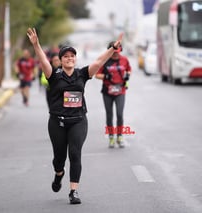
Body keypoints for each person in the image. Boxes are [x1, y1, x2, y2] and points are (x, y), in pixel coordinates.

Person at [27, 27, 123, 204]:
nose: (70, 58)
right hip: (57, 122)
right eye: (66, 56)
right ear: (61, 60)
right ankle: (58, 174)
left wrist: (112, 49)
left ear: (75, 59)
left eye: (72, 56)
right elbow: (42, 60)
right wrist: (36, 45)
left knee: (75, 153)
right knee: (59, 158)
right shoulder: (53, 75)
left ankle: (73, 191)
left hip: (78, 120)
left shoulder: (82, 74)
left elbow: (100, 61)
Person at [95, 41, 131, 148]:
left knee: (120, 114)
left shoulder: (124, 60)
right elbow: (97, 75)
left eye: (117, 52)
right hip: (107, 91)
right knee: (109, 115)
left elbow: (129, 70)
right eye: (114, 52)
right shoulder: (105, 61)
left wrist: (127, 76)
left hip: (120, 90)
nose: (116, 54)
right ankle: (111, 137)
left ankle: (119, 136)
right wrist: (105, 77)